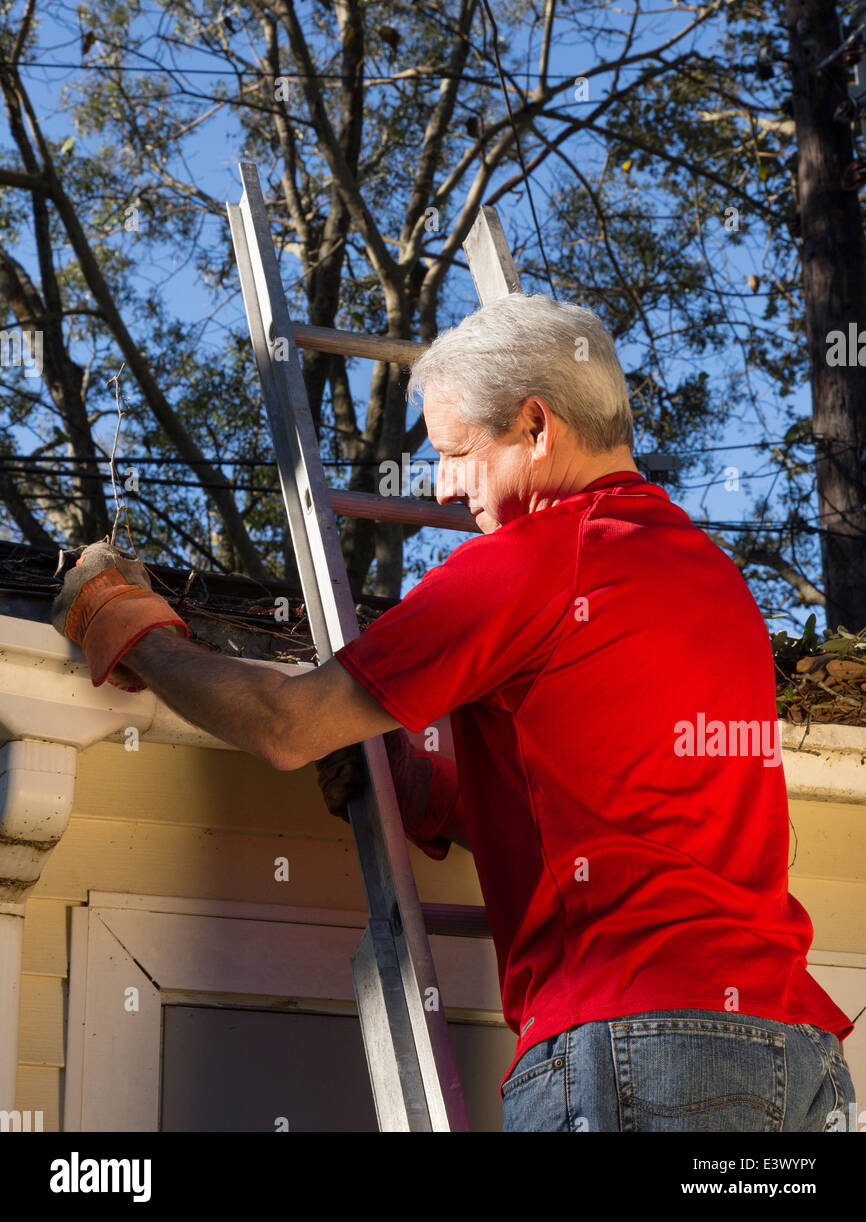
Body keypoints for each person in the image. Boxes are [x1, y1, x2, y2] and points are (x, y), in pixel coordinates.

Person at [53, 293, 856, 1132]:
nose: (440, 488)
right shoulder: (713, 581)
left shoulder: (530, 564)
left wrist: (125, 624)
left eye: (457, 452)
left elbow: (285, 725)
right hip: (798, 1059)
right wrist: (424, 791)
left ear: (536, 428)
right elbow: (607, 811)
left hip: (639, 1050)